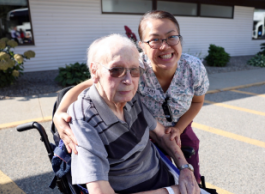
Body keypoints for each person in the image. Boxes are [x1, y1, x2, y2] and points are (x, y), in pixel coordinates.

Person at [53, 10, 209, 187]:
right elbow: (90, 83)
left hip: (181, 123)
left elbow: (197, 101)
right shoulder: (134, 66)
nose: (164, 46)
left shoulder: (193, 68)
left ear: (180, 39)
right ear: (142, 45)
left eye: (171, 37)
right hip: (147, 128)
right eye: (155, 39)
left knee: (192, 172)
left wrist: (179, 129)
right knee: (149, 162)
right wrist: (60, 112)